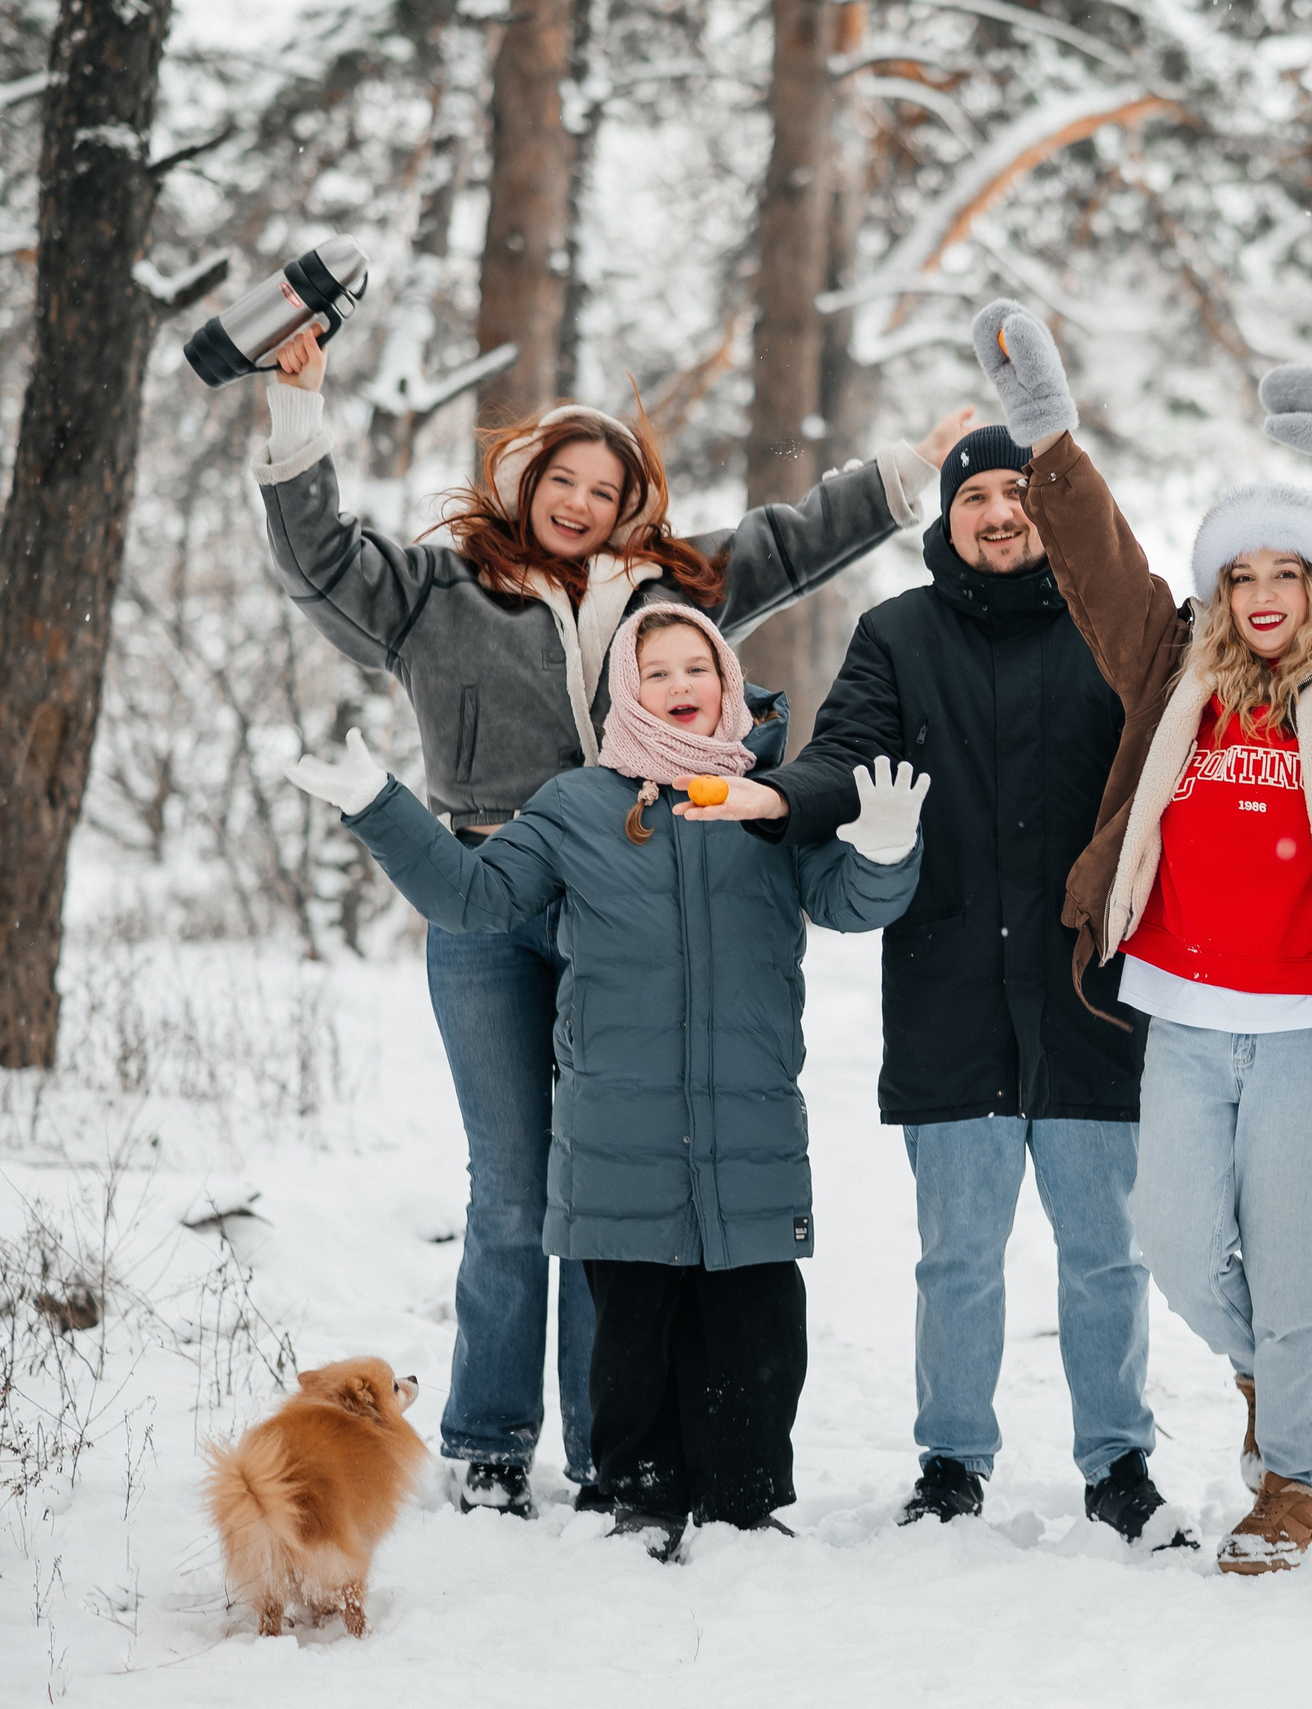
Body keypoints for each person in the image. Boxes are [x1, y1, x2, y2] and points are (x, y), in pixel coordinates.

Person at [248, 324, 968, 1516]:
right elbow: (317, 555)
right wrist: (296, 412)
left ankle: (605, 1444)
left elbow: (798, 539)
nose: (581, 502)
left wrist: (908, 472)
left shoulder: (674, 593)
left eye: (607, 487)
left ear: (634, 504)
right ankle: (488, 1439)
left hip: (631, 898)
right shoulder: (436, 596)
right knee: (513, 1189)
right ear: (520, 483)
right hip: (484, 895)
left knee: (603, 1185)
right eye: (562, 480)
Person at [973, 301, 1312, 1572]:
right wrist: (1048, 438)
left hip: (1311, 1028)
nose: (1260, 595)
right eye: (1241, 575)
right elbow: (1098, 566)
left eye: (1286, 573)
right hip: (1186, 1021)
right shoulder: (1173, 680)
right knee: (1176, 1243)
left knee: (1301, 1271)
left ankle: (1294, 1480)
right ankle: (1280, 1379)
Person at [286, 606, 928, 1560]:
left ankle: (747, 1507)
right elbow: (474, 896)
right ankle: (640, 1503)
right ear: (627, 690)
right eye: (656, 669)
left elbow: (850, 901)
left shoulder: (769, 803)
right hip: (619, 1136)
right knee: (630, 1339)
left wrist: (882, 848)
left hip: (747, 1129)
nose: (679, 684)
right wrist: (383, 806)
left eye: (695, 667)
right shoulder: (577, 804)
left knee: (756, 1333)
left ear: (725, 681)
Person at [684, 417, 1178, 1547]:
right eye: (975, 498)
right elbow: (841, 750)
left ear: (1055, 507)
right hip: (951, 988)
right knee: (957, 1252)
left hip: (1090, 995)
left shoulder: (1117, 631)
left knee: (1105, 1252)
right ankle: (952, 1458)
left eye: (1019, 492)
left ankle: (1119, 1462)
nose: (1000, 512)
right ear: (948, 522)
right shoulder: (897, 634)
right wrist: (780, 798)